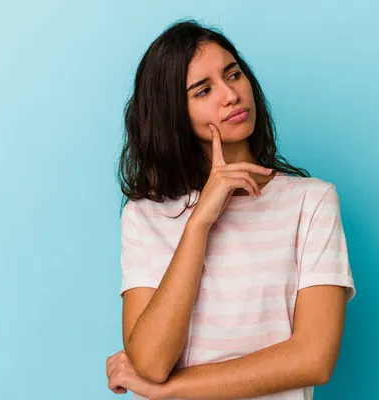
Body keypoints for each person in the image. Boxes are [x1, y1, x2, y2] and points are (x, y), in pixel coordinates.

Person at [106, 19, 356, 400]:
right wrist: (199, 224)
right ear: (174, 114)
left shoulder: (311, 201)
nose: (231, 94)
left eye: (233, 74)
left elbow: (314, 358)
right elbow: (150, 362)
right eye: (203, 90)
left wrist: (170, 391)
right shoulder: (144, 218)